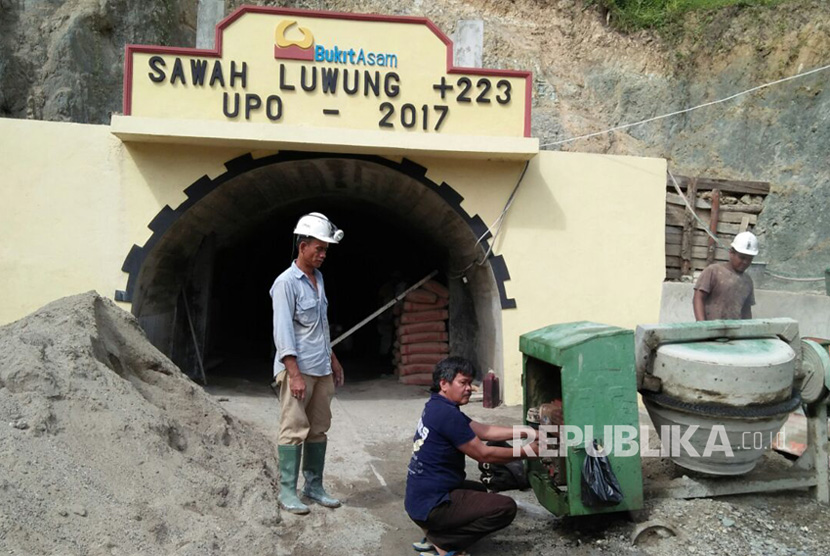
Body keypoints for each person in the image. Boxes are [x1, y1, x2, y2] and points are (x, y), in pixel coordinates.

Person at [404, 357, 538, 556]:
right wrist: (528, 452)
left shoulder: (437, 405)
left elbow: (484, 431)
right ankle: (444, 541)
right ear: (444, 384)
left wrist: (527, 431)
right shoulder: (446, 415)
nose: (469, 388)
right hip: (431, 505)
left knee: (478, 489)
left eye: (470, 383)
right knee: (505, 507)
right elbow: (484, 454)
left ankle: (439, 531)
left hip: (419, 499)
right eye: (463, 383)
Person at [271, 212, 345, 515]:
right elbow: (283, 331)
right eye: (319, 248)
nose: (323, 254)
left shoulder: (319, 279)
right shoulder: (286, 283)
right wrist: (294, 373)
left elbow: (321, 324)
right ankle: (287, 491)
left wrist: (333, 358)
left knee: (319, 429)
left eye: (326, 249)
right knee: (293, 429)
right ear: (302, 246)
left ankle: (314, 486)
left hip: (321, 366)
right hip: (298, 370)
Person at [693, 231, 759, 321]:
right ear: (731, 253)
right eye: (742, 257)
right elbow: (698, 298)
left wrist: (747, 330)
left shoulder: (747, 281)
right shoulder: (713, 271)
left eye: (749, 259)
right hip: (711, 329)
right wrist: (702, 325)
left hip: (734, 332)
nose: (745, 262)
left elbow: (746, 310)